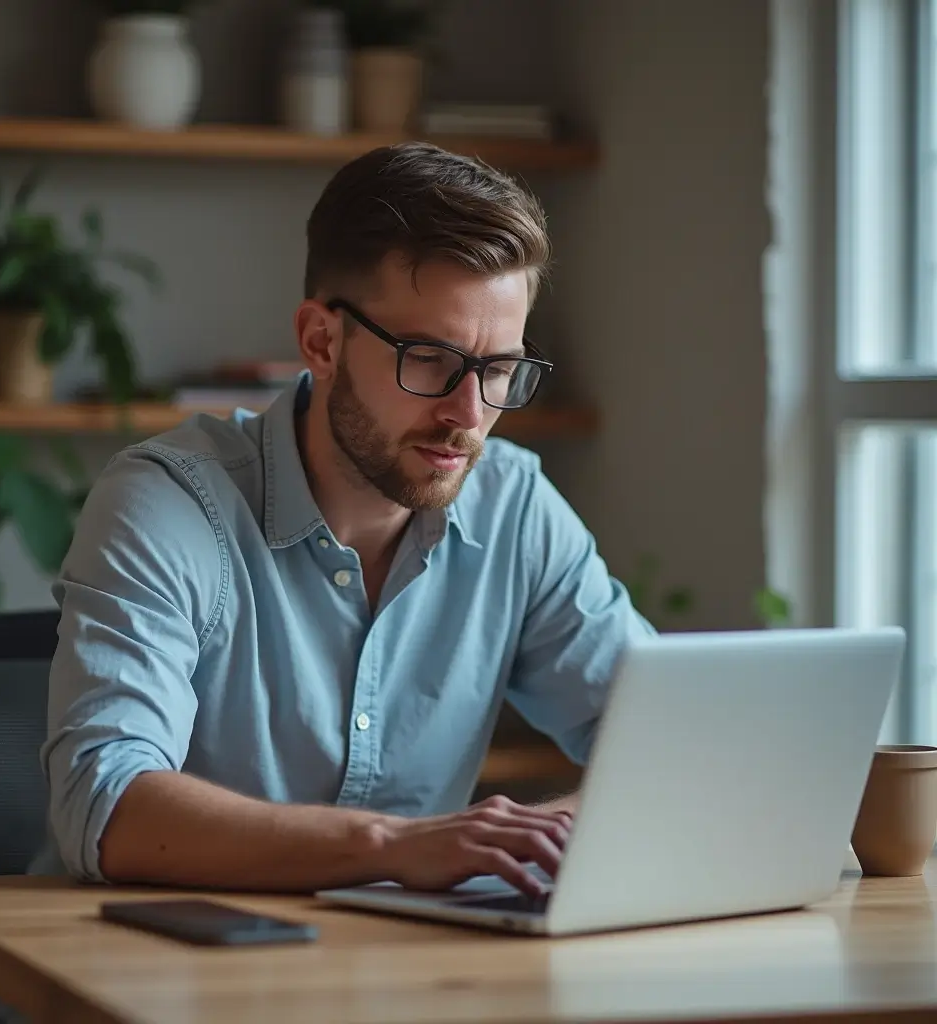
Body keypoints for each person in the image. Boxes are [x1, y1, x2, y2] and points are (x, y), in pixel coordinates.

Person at [35, 142, 652, 900]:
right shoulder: (169, 503)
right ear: (322, 341)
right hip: (165, 979)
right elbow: (108, 806)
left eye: (498, 371)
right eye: (430, 359)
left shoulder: (514, 507)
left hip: (409, 977)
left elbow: (671, 746)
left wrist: (541, 837)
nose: (469, 415)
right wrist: (395, 845)